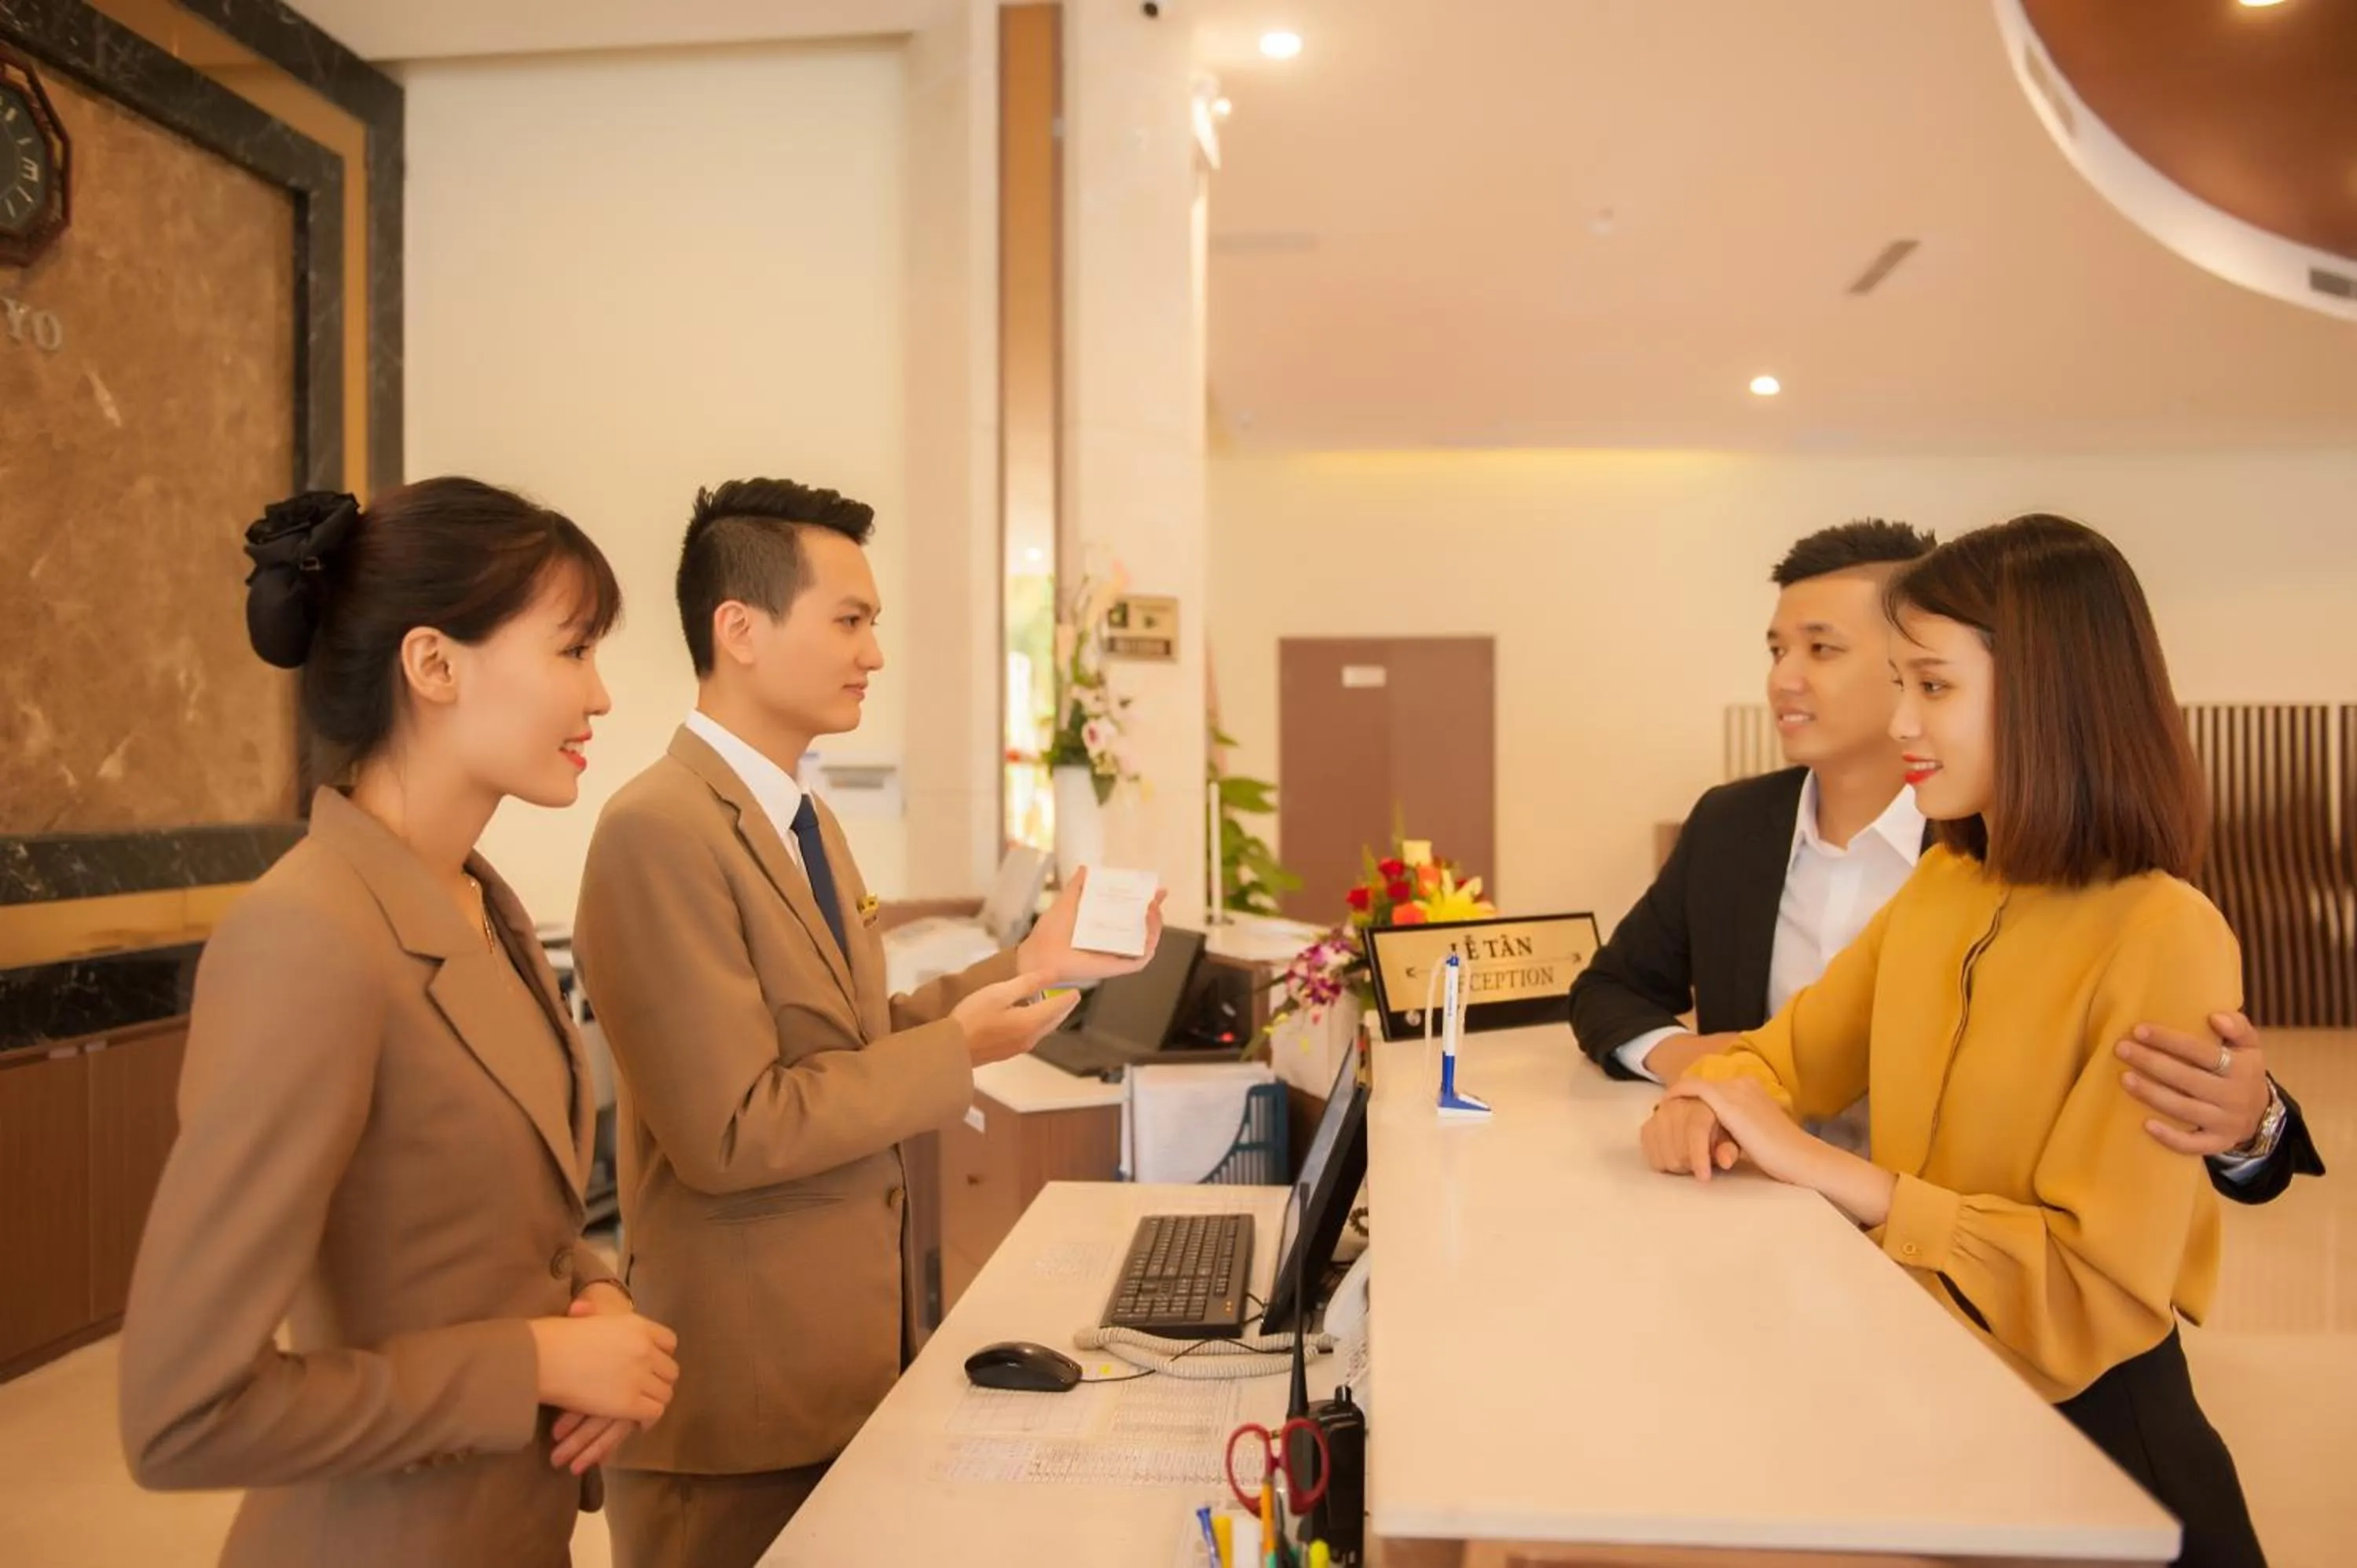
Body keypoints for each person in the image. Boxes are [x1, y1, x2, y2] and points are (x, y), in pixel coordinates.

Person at [1644, 515, 2266, 1567]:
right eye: (1898, 686)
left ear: (2050, 696)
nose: (1900, 724)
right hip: (1942, 1405)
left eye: (1931, 687)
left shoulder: (2165, 932)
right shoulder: (1944, 885)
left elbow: (2091, 1289)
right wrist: (1705, 1098)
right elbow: (1788, 1055)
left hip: (2104, 1458)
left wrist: (1832, 1173)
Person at [574, 478, 1167, 1568]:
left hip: (838, 1369)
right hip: (738, 1407)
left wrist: (1031, 966)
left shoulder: (805, 821)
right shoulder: (656, 830)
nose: (874, 653)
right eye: (849, 620)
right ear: (739, 630)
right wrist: (959, 1052)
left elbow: (849, 1043)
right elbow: (734, 1130)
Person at [119, 479, 682, 1568]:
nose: (602, 695)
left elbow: (496, 1210)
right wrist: (532, 1368)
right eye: (572, 650)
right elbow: (182, 1412)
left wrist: (594, 1295)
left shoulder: (479, 903)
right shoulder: (309, 935)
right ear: (434, 665)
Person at [1574, 518, 2320, 1196]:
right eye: (1776, 650)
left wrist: (2256, 1122)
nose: (1783, 677)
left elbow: (2173, 1085)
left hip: (1965, 1278)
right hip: (1773, 1217)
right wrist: (1706, 1076)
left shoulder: (2037, 861)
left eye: (1823, 648)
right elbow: (1622, 994)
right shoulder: (1753, 829)